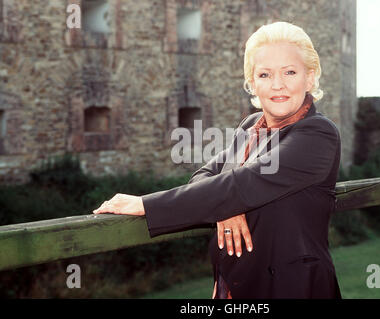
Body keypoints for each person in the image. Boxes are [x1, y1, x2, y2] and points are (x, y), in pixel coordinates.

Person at [93, 21, 342, 299]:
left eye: (290, 72)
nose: (277, 85)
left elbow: (245, 183)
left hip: (294, 287)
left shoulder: (319, 134)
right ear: (252, 83)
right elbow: (205, 174)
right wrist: (228, 207)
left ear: (310, 78)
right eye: (264, 74)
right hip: (234, 285)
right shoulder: (250, 127)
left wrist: (145, 205)